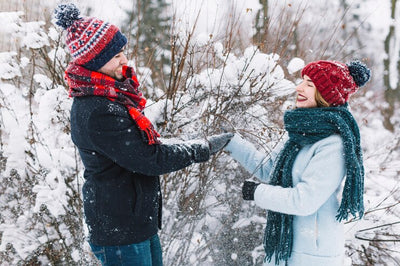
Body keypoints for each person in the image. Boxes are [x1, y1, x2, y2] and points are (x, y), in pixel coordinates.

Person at [54, 4, 233, 266]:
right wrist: (200, 148)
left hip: (134, 223)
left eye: (122, 52)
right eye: (116, 56)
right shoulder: (98, 110)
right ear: (95, 61)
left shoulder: (111, 97)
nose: (124, 60)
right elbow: (149, 158)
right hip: (120, 232)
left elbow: (141, 150)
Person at [225, 60, 371, 265]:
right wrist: (231, 143)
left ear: (326, 96)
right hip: (286, 247)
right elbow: (270, 171)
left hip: (313, 254)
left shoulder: (333, 144)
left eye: (310, 84)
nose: (299, 87)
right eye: (303, 81)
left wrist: (257, 192)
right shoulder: (299, 134)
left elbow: (305, 200)